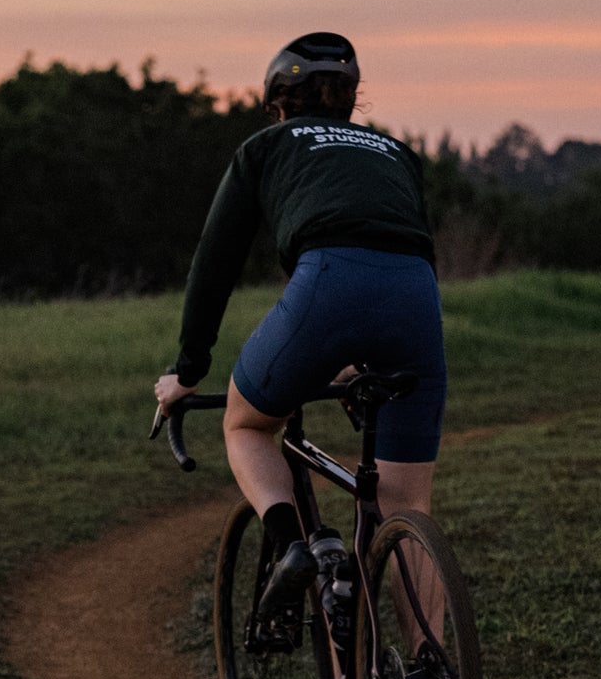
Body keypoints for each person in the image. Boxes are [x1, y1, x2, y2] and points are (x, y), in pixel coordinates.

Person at [152, 31, 446, 619]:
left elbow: (216, 261)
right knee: (407, 504)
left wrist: (188, 370)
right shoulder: (394, 152)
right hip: (417, 296)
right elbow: (395, 250)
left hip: (328, 281)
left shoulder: (266, 146)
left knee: (249, 426)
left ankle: (295, 547)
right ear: (349, 101)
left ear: (278, 105)